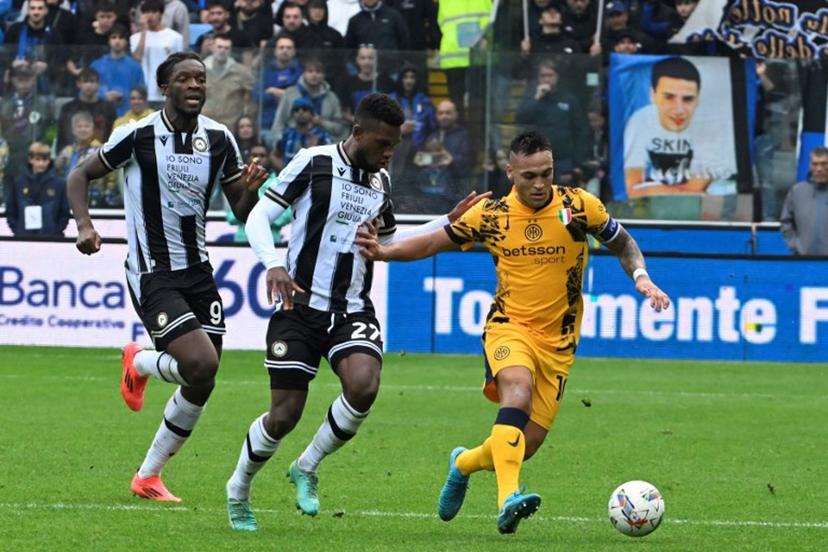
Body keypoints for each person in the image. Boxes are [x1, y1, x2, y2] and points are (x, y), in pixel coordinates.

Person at [355, 131, 670, 534]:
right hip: (509, 328)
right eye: (529, 176)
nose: (539, 184)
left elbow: (624, 244)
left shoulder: (578, 206)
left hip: (559, 343)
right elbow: (433, 243)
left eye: (546, 174)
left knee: (527, 444)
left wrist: (642, 278)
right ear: (510, 173)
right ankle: (508, 500)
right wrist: (384, 252)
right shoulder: (491, 215)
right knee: (516, 393)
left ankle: (463, 463)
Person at [223, 92, 489, 532]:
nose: (388, 153)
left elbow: (389, 240)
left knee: (363, 386)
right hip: (299, 306)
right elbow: (258, 217)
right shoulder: (313, 161)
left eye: (394, 146)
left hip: (351, 308)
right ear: (358, 133)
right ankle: (239, 488)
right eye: (383, 143)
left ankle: (306, 466)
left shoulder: (380, 183)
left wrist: (448, 220)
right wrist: (272, 263)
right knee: (284, 415)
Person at [67, 51, 269, 502]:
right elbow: (80, 174)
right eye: (185, 79)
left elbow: (240, 208)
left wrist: (250, 194)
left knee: (203, 380)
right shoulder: (137, 135)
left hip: (199, 271)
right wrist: (84, 224)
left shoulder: (219, 139)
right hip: (153, 272)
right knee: (201, 364)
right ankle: (138, 360)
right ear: (165, 87)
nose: (196, 85)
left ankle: (148, 476)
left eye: (200, 79)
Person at [623, 56, 734, 197]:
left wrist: (651, 189)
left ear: (698, 100)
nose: (679, 110)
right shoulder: (639, 121)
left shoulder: (710, 125)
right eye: (669, 97)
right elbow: (631, 189)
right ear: (653, 95)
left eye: (688, 99)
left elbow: (696, 189)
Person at [5, 141, 70, 236]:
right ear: (30, 159)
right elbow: (11, 211)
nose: (41, 163)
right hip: (23, 239)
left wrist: (55, 233)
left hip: (51, 240)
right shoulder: (19, 183)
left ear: (49, 160)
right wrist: (18, 232)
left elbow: (64, 213)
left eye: (45, 160)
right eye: (37, 159)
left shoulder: (59, 184)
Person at [130, 0, 184, 103]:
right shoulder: (135, 38)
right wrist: (144, 31)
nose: (150, 16)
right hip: (143, 92)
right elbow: (136, 58)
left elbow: (179, 65)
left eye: (154, 12)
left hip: (166, 91)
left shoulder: (175, 37)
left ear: (161, 14)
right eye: (146, 12)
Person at [780, 146, 828, 256]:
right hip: (803, 262)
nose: (819, 169)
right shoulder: (797, 192)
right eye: (815, 164)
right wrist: (795, 245)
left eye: (824, 164)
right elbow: (786, 222)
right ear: (810, 166)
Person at [90, 24, 147, 117]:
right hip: (100, 115)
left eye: (121, 38)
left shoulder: (135, 67)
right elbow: (87, 91)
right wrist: (104, 95)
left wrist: (124, 95)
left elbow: (142, 91)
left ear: (126, 41)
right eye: (114, 37)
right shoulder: (96, 65)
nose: (117, 41)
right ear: (108, 41)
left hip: (128, 115)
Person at [272, 97, 332, 171]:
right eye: (297, 110)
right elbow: (274, 155)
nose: (301, 112)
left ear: (312, 114)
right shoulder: (287, 134)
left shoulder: (321, 135)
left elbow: (330, 159)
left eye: (305, 109)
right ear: (293, 114)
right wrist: (284, 171)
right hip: (290, 180)